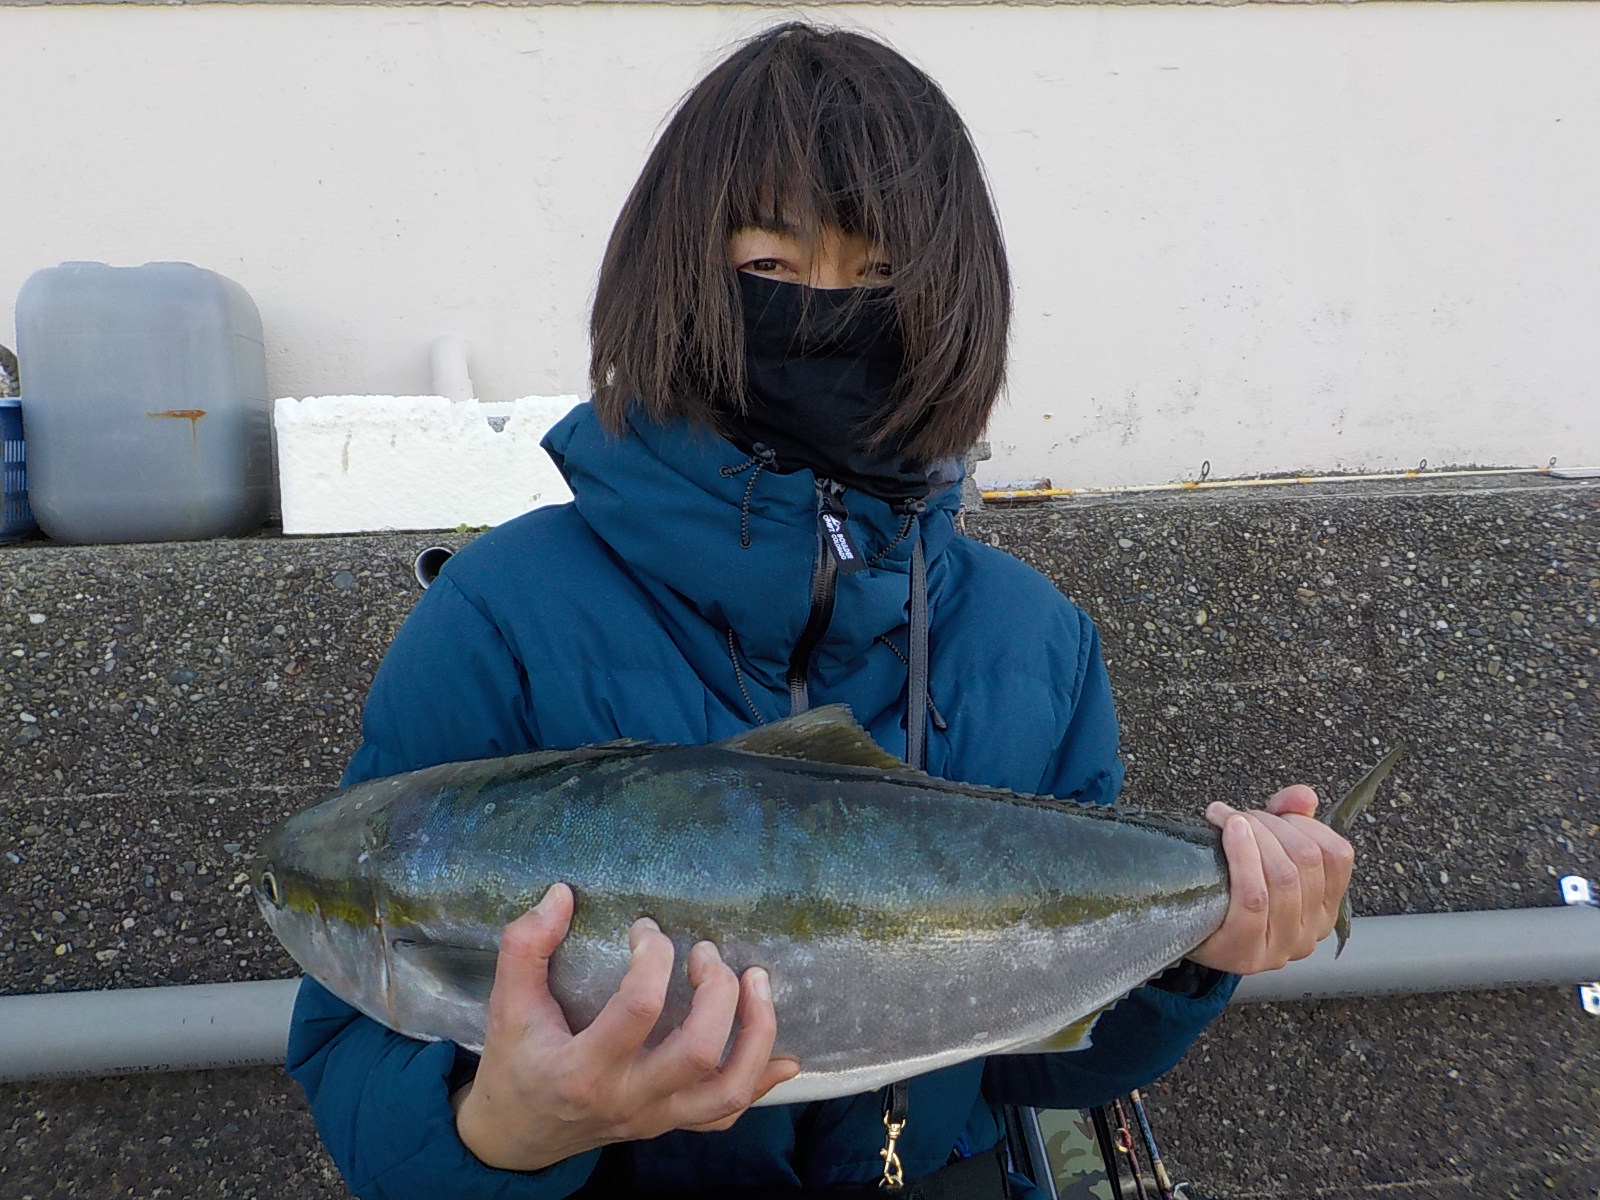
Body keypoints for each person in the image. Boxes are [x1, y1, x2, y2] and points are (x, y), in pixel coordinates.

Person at [286, 22, 1354, 1200]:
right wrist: (505, 1128)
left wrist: (1192, 960)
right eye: (770, 273)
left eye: (880, 279)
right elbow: (354, 1072)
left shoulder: (1033, 642)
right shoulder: (499, 619)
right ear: (675, 281)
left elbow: (1031, 1065)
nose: (828, 317)